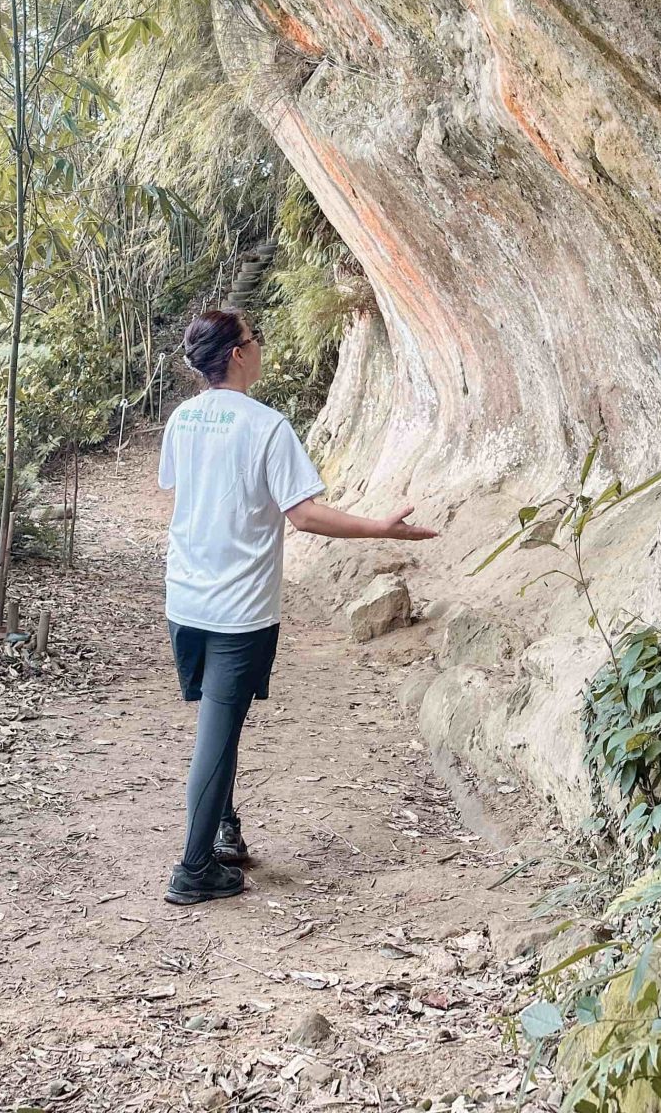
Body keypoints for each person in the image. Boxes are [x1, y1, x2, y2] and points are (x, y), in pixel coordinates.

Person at [158, 305, 437, 905]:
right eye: (254, 339)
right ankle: (192, 869)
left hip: (184, 598)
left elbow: (177, 493)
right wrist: (381, 528)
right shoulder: (266, 426)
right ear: (236, 354)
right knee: (217, 729)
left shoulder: (184, 419)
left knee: (217, 719)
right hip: (239, 608)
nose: (260, 347)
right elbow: (303, 513)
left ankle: (223, 828)